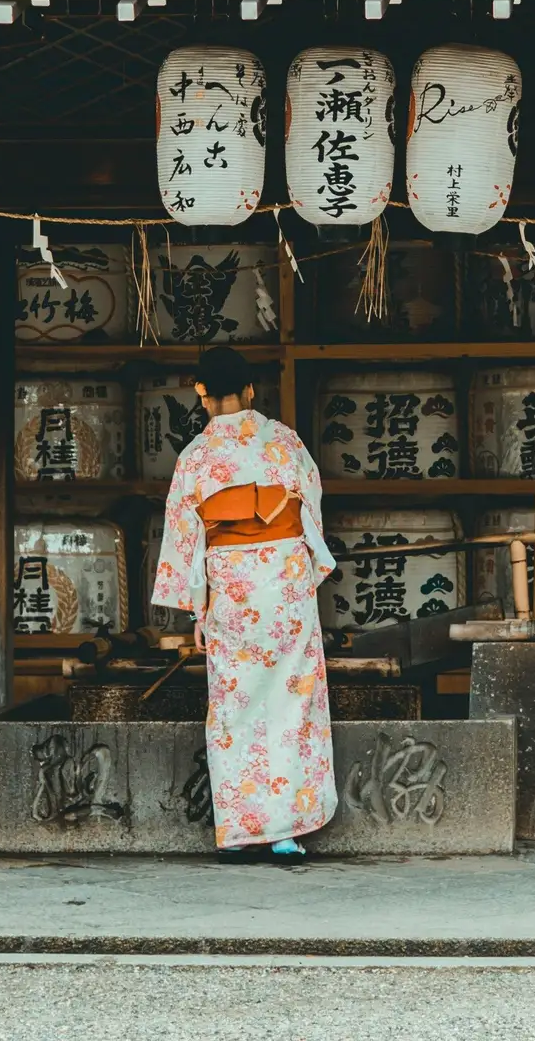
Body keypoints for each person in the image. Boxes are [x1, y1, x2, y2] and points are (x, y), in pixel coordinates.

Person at [151, 346, 338, 862]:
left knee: (234, 708)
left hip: (231, 589)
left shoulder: (195, 458)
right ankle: (286, 832)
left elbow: (186, 536)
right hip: (284, 586)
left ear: (202, 393)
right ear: (252, 390)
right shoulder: (285, 443)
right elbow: (311, 509)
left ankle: (239, 832)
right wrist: (301, 568)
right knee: (291, 703)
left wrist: (197, 606)